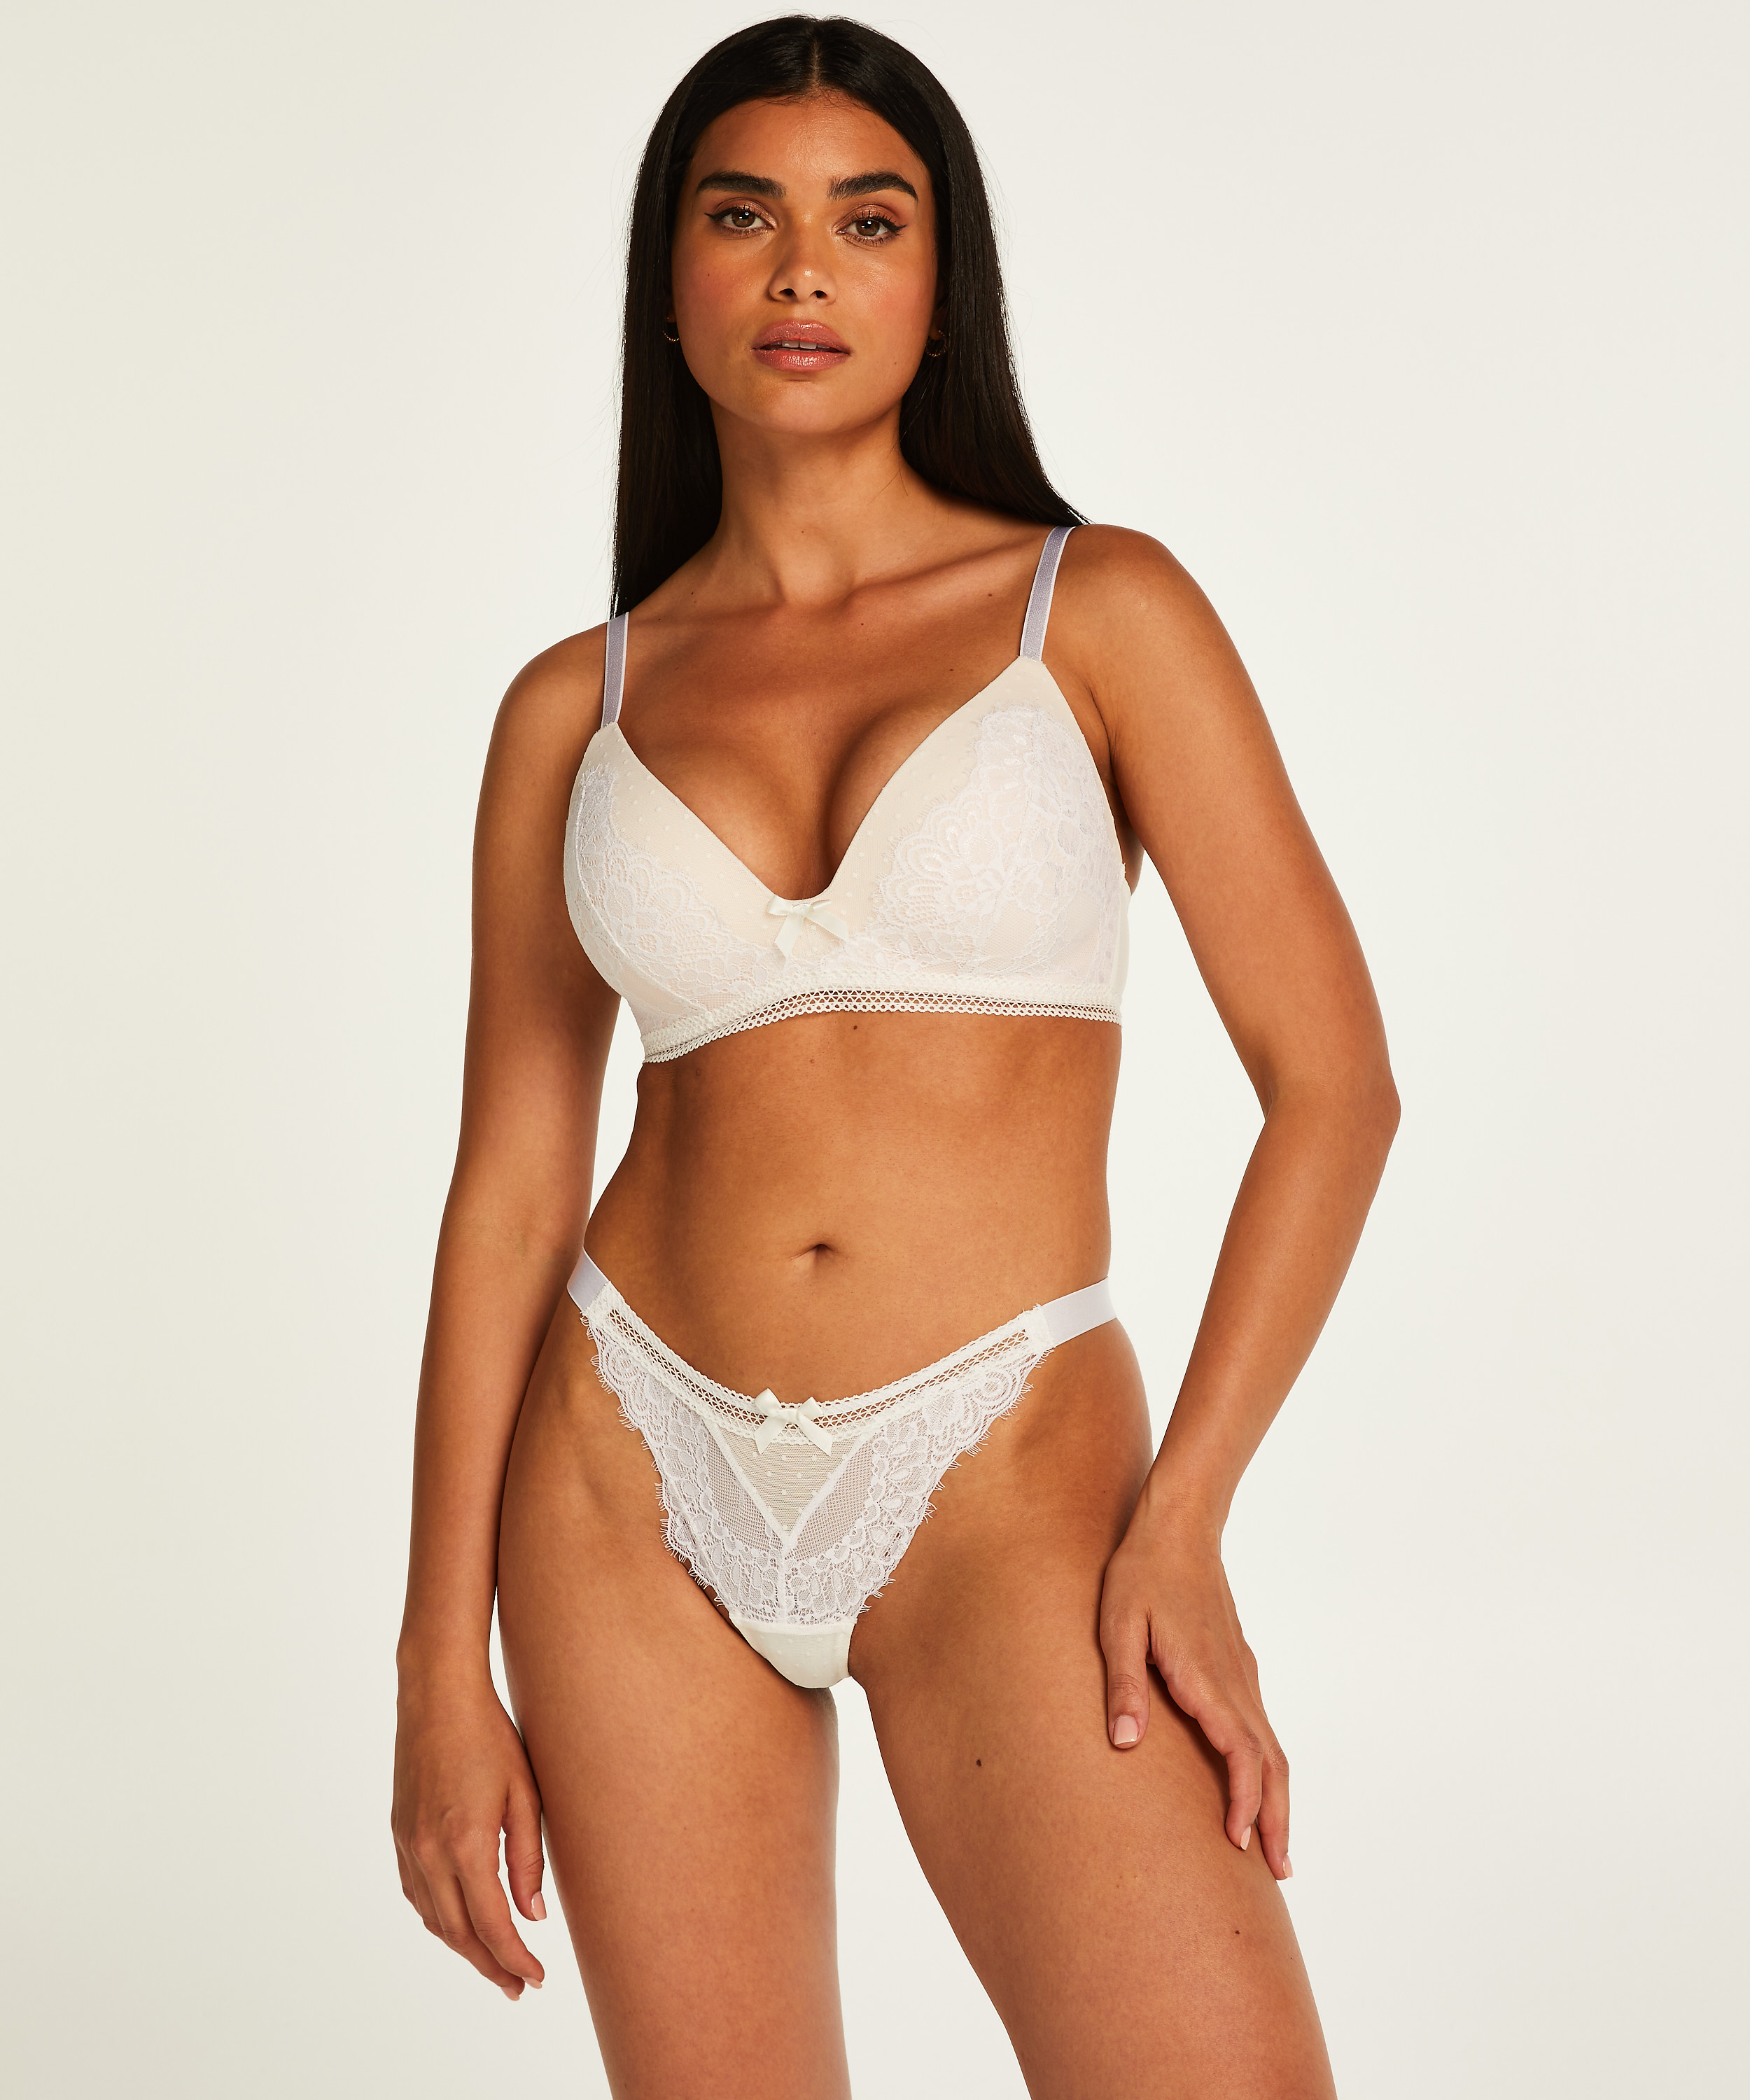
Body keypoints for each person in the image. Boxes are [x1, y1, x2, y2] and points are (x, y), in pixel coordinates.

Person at [391, 15, 1398, 2096]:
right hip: (622, 1476)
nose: (800, 271)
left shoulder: (1096, 612)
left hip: (1010, 1471)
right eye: (740, 216)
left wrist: (1186, 1519)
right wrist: (433, 1661)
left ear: (944, 282)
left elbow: (1333, 1088)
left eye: (868, 220)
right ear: (670, 273)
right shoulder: (573, 706)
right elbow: (507, 1194)